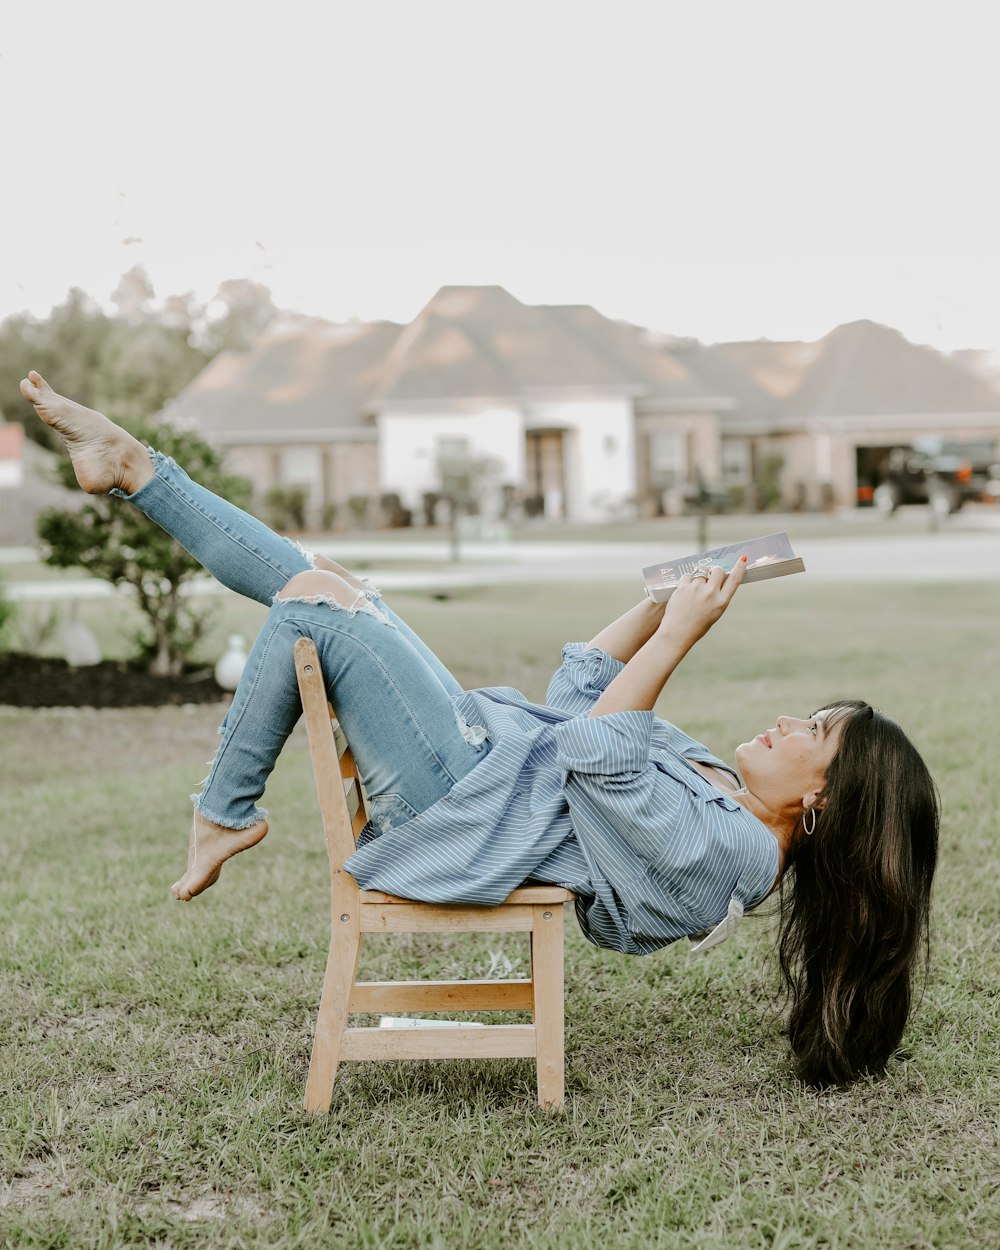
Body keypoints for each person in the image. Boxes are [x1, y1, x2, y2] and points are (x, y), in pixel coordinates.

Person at [19, 370, 939, 1087]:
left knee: (313, 605)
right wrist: (657, 608)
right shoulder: (721, 794)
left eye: (814, 730)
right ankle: (136, 467)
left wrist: (683, 640)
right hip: (474, 761)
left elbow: (588, 751)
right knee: (335, 578)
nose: (787, 721)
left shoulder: (729, 862)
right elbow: (579, 700)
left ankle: (223, 809)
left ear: (823, 799)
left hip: (457, 803)